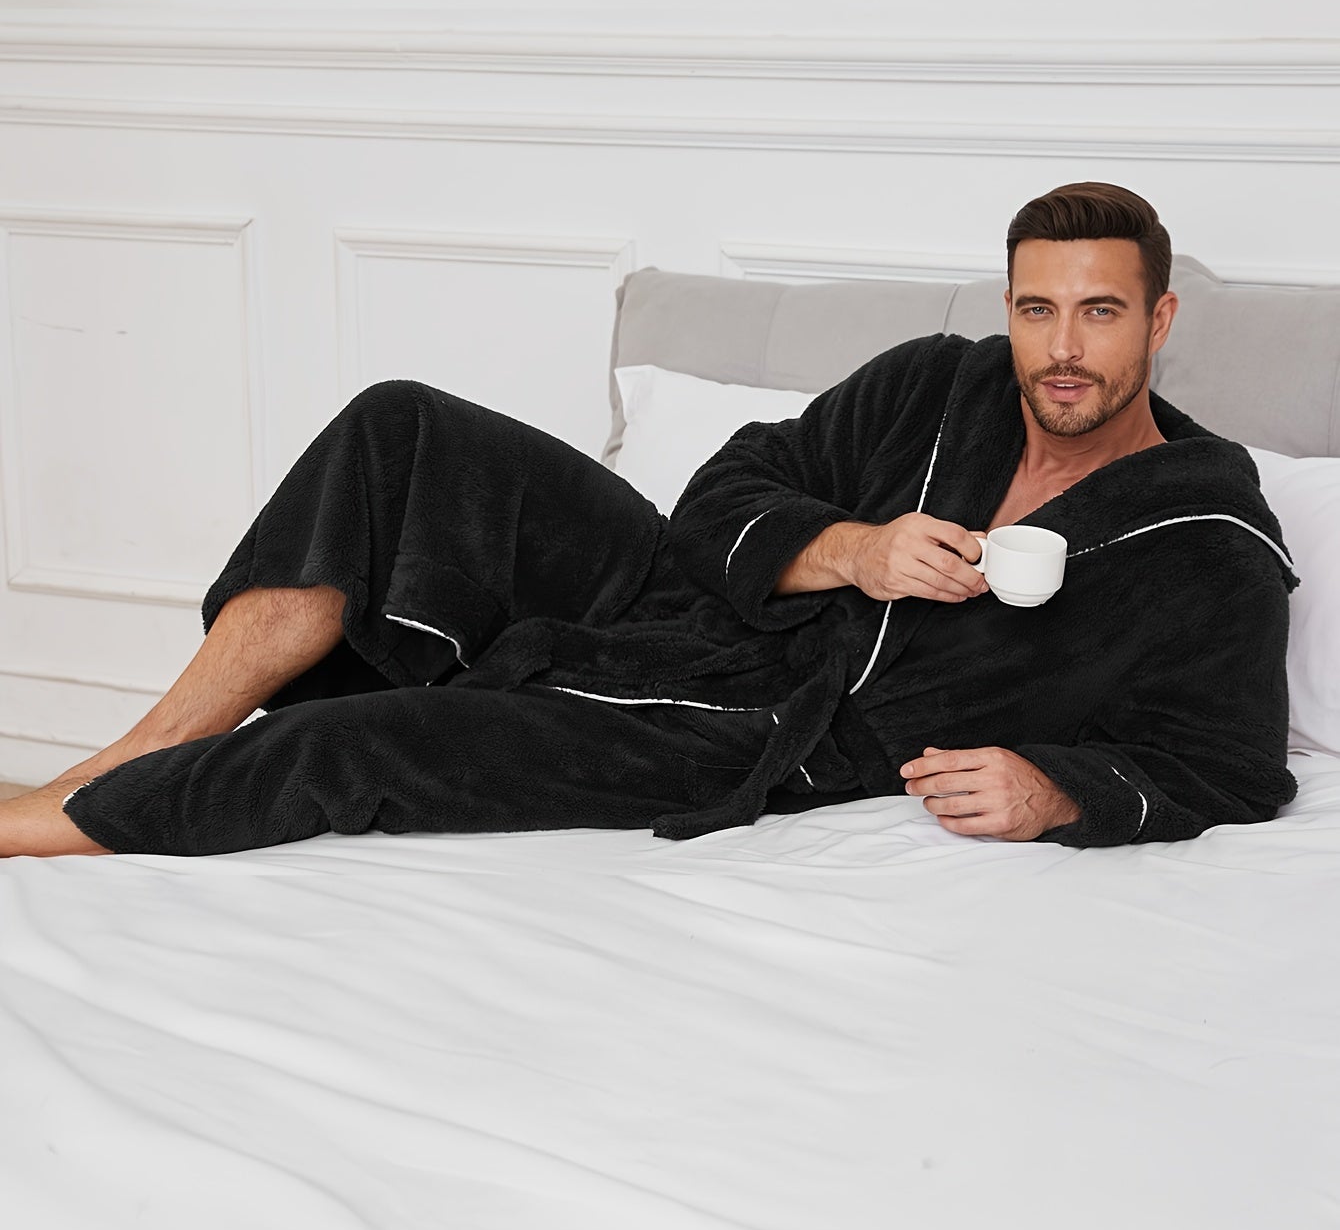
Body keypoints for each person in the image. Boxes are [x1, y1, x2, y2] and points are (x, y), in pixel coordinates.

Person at [0, 182, 1297, 860]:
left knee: (368, 741)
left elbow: (1231, 766)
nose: (1061, 350)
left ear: (1160, 320)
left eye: (1100, 314)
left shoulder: (1209, 541)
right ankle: (121, 759)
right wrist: (855, 549)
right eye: (1036, 310)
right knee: (399, 428)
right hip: (686, 595)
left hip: (753, 727)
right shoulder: (936, 384)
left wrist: (1054, 790)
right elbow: (724, 493)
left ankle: (46, 822)